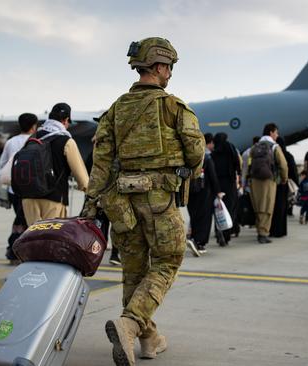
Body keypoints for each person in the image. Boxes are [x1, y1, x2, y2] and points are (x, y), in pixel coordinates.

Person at [83, 37, 204, 366]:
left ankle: (149, 340)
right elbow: (195, 151)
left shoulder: (114, 110)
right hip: (159, 199)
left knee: (133, 273)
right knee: (167, 262)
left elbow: (101, 164)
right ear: (160, 66)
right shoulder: (173, 106)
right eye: (169, 68)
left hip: (121, 203)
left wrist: (90, 206)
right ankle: (131, 323)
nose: (170, 75)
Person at [21, 103, 89, 225]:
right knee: (51, 239)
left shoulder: (33, 137)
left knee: (34, 239)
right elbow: (82, 178)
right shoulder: (66, 141)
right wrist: (90, 191)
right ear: (66, 120)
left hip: (28, 198)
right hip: (53, 198)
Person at [0, 113, 37, 263]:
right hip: (30, 189)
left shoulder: (11, 142)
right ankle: (15, 251)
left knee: (20, 219)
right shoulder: (36, 141)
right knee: (25, 222)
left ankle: (17, 251)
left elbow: (2, 165)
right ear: (34, 126)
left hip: (14, 189)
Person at [248, 123, 288, 243]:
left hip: (254, 179)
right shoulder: (274, 146)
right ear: (271, 132)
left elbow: (249, 162)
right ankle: (263, 233)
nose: (277, 135)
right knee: (267, 206)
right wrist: (284, 178)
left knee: (258, 206)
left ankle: (259, 230)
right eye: (276, 132)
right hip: (269, 180)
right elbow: (283, 164)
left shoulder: (255, 146)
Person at [188, 133, 222, 254]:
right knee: (204, 218)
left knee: (194, 215)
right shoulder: (207, 157)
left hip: (190, 192)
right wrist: (218, 191)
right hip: (204, 193)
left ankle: (192, 237)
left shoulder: (188, 156)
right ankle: (200, 243)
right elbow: (212, 176)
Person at [211, 132, 240, 244]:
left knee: (218, 208)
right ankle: (226, 234)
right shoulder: (230, 147)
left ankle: (218, 231)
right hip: (229, 183)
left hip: (217, 183)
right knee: (229, 207)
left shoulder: (215, 152)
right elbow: (237, 162)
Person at [269, 137, 294, 237]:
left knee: (273, 206)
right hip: (283, 184)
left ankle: (272, 229)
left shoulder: (272, 153)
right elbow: (292, 170)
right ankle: (281, 230)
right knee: (282, 207)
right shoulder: (288, 155)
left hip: (273, 182)